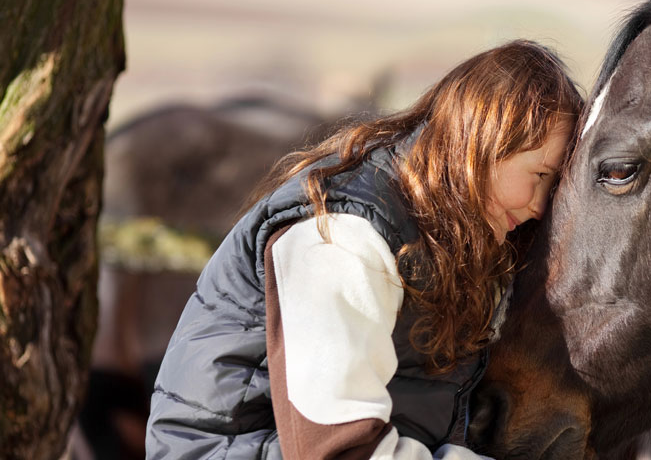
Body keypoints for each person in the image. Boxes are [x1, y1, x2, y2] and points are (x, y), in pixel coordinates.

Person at [145, 40, 584, 460]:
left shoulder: (443, 236)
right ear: (483, 144)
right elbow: (336, 449)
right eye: (540, 174)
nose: (539, 205)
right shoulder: (344, 235)